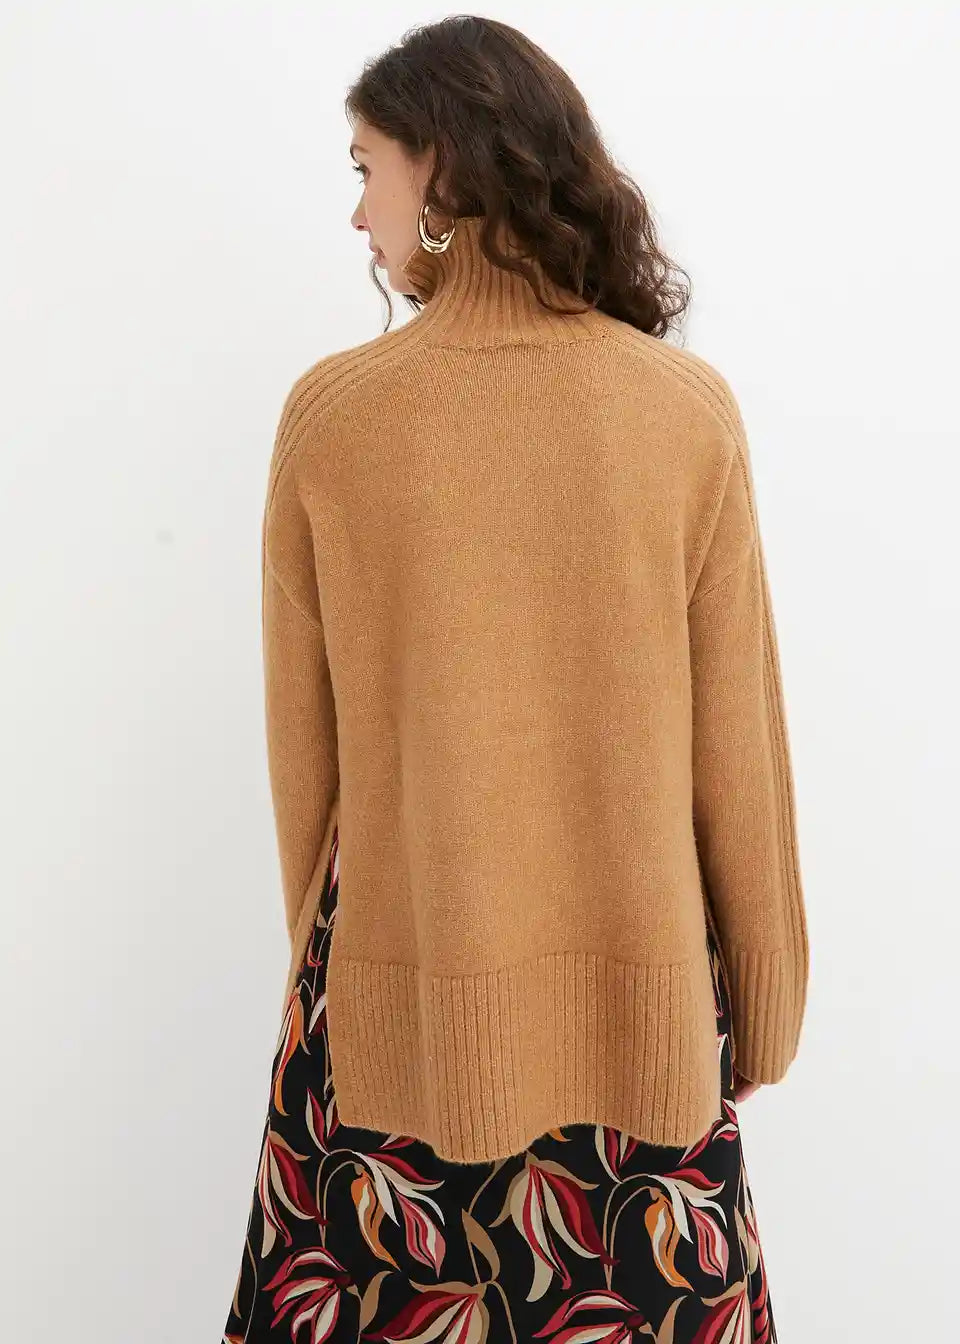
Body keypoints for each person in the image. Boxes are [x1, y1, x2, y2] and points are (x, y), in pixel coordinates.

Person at [222, 15, 808, 1344]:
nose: (357, 213)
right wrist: (762, 1001)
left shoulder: (335, 417)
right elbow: (741, 746)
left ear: (439, 169)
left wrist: (332, 970)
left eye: (365, 168)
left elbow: (306, 759)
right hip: (643, 1040)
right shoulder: (682, 410)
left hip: (392, 1024)